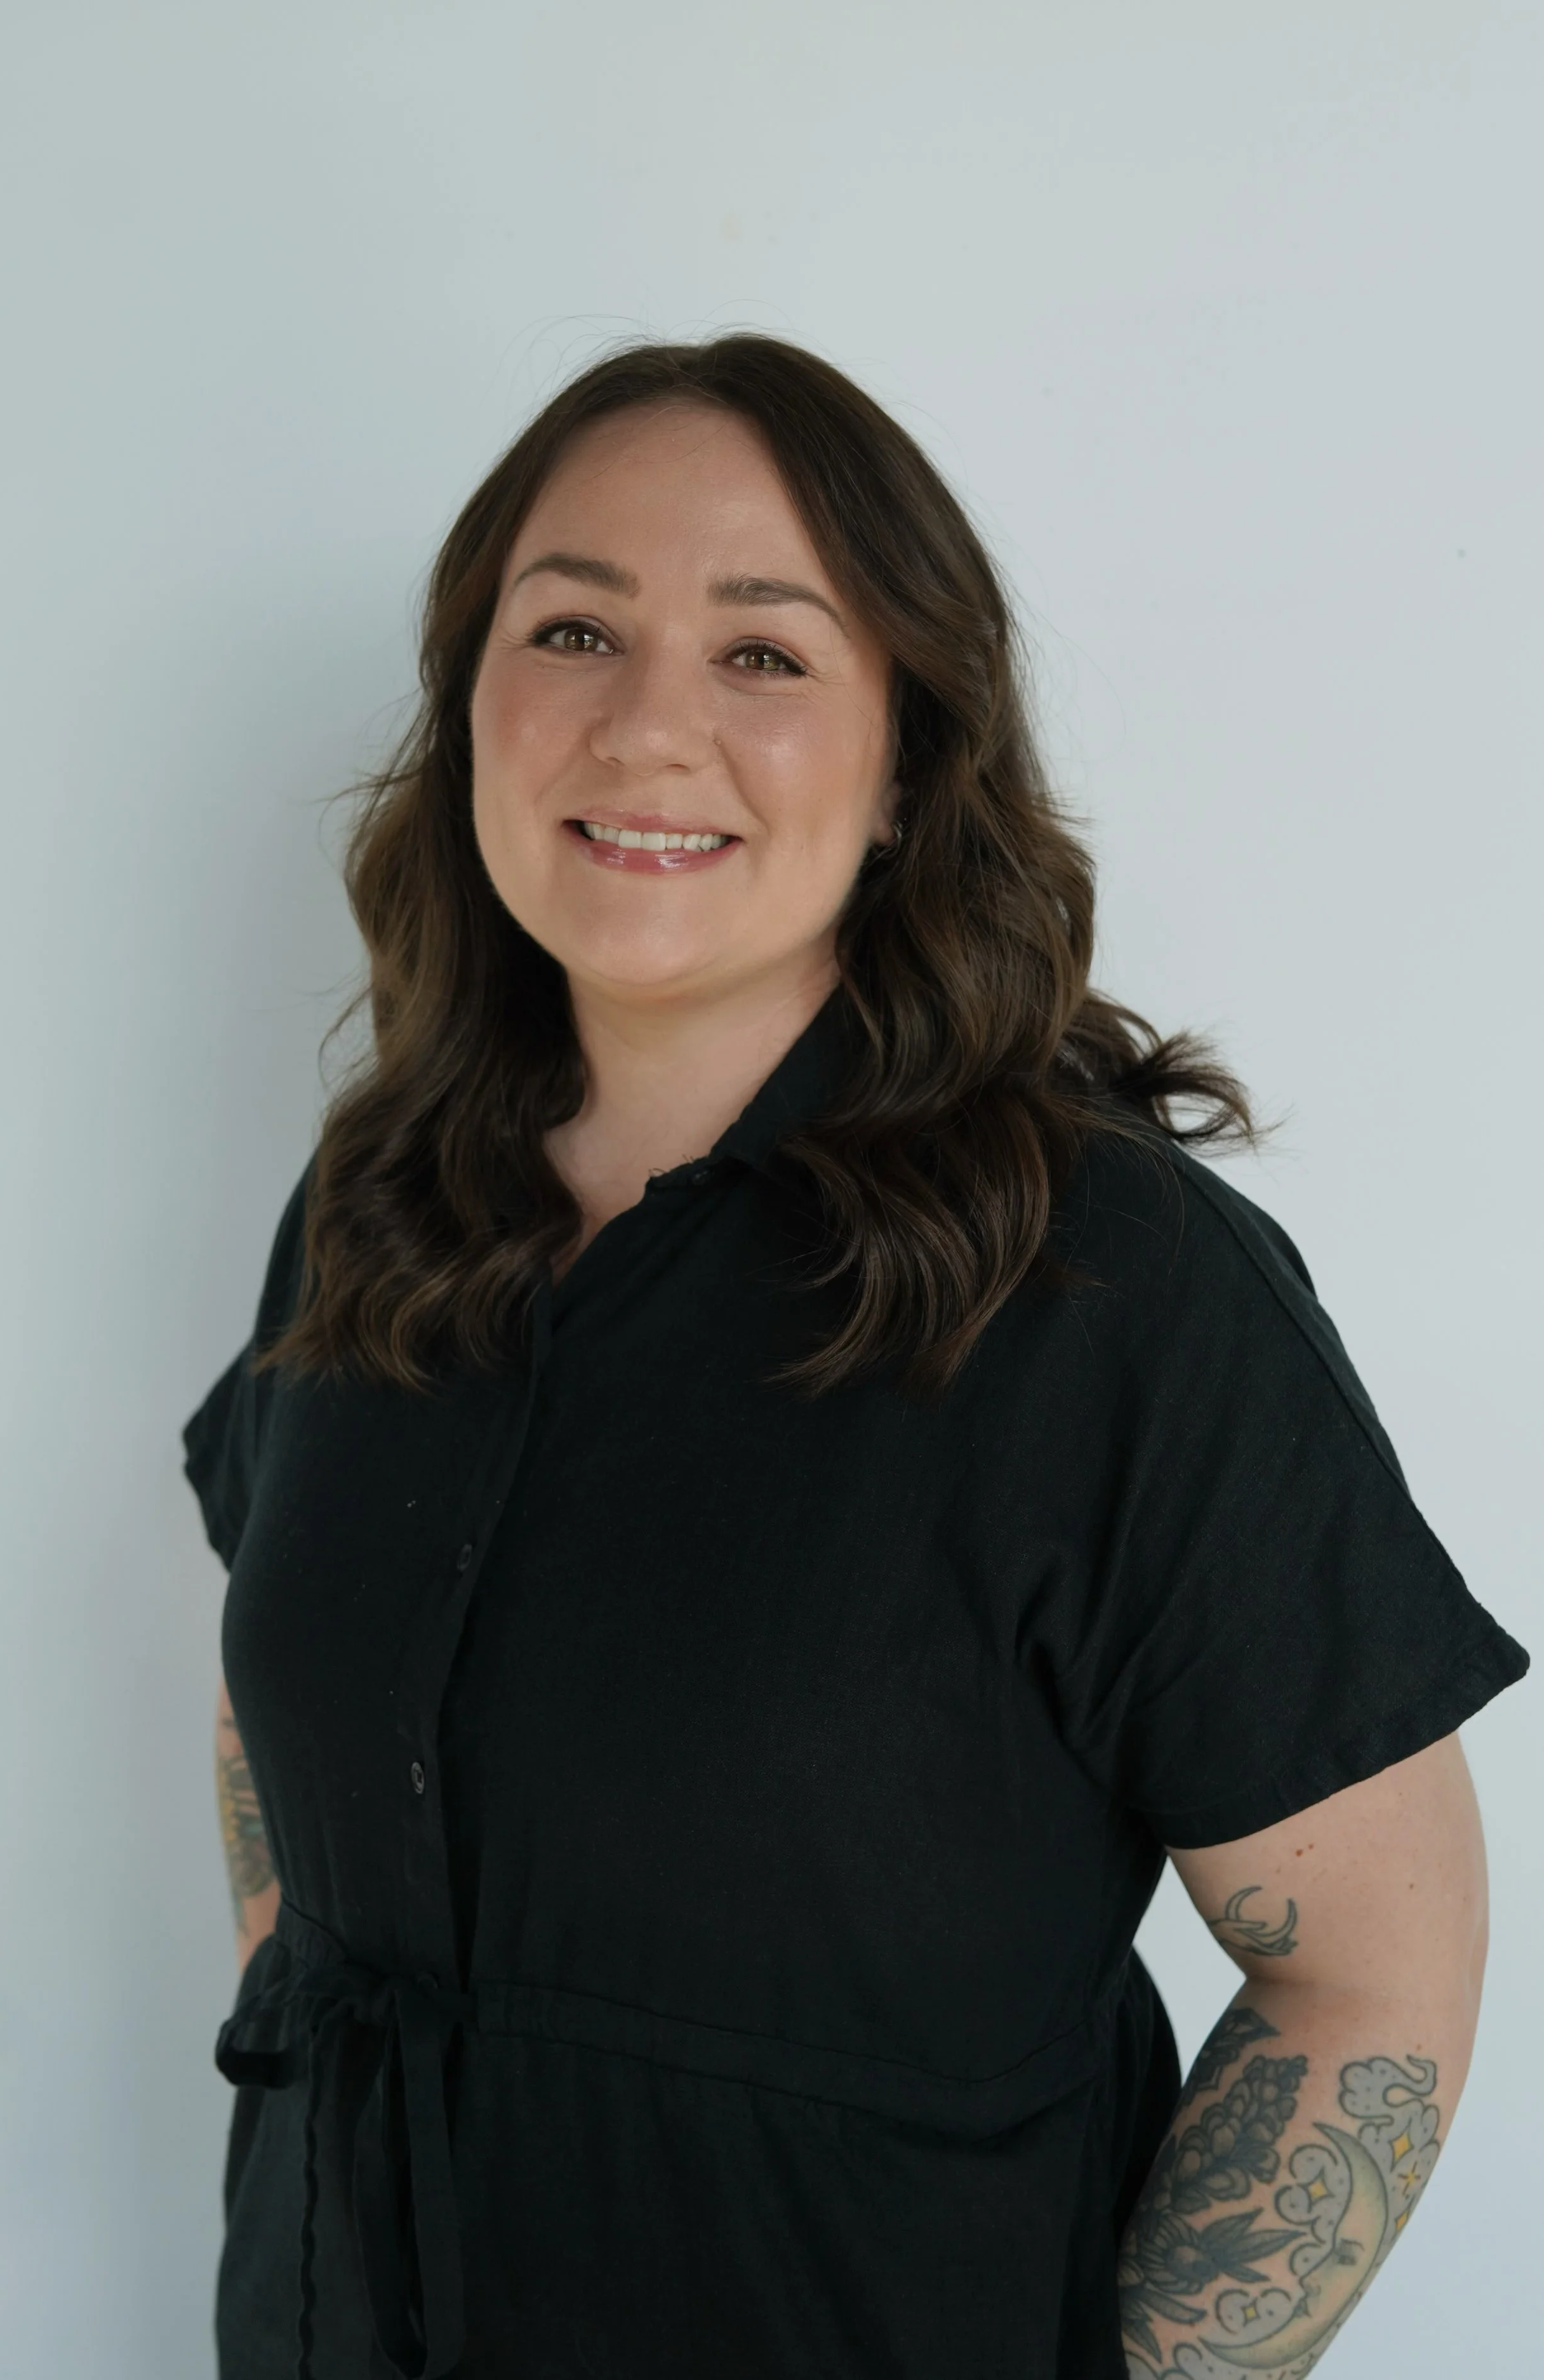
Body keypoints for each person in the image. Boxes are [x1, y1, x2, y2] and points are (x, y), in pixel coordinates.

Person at [182, 334, 1527, 2380]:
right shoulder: (375, 1204)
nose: (646, 728)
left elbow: (1368, 1974)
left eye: (764, 653)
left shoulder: (1114, 1290)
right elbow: (271, 1684)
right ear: (475, 709)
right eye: (572, 629)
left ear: (907, 761)